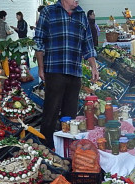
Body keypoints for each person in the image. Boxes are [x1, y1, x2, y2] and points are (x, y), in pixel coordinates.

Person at [33, 0, 99, 149]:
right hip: (55, 70)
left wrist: (94, 67)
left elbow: (87, 43)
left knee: (70, 115)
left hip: (75, 71)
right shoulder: (49, 12)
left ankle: (68, 151)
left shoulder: (81, 14)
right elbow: (38, 41)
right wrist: (40, 67)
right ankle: (46, 148)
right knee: (51, 112)